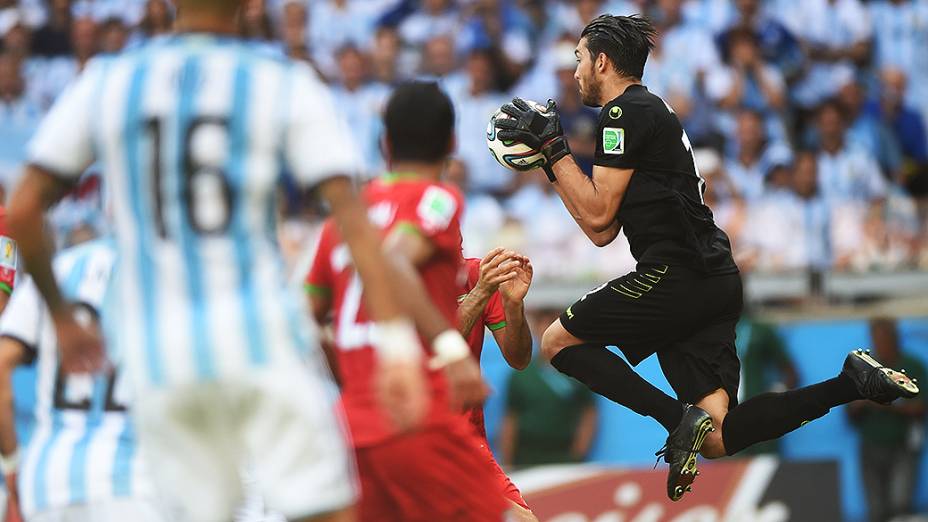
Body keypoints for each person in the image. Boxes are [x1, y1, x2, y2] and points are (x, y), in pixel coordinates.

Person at [4, 1, 473, 520]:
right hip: (260, 341)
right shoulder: (282, 81)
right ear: (253, 6)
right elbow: (353, 221)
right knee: (330, 511)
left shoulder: (109, 81)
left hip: (160, 356)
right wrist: (396, 346)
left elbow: (22, 209)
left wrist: (63, 316)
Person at [492, 14, 920, 502]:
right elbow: (601, 230)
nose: (575, 72)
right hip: (713, 278)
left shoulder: (621, 114)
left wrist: (554, 151)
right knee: (716, 437)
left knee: (556, 341)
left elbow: (597, 215)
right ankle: (851, 383)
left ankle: (677, 421)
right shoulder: (646, 111)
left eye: (579, 59)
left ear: (602, 61)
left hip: (678, 273)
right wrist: (554, 159)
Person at [306, 81, 506, 522]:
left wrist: (347, 369)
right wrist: (452, 351)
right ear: (452, 143)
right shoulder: (437, 198)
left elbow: (304, 320)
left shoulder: (344, 221)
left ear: (385, 143)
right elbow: (393, 261)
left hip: (354, 430)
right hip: (418, 418)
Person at [0, 238, 164, 522]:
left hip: (48, 484)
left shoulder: (60, 268)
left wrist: (13, 465)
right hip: (132, 483)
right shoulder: (166, 277)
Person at [457, 248, 536, 521]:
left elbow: (519, 358)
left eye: (458, 241)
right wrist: (480, 292)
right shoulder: (400, 281)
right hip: (418, 442)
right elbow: (430, 352)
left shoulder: (476, 274)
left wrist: (513, 305)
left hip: (468, 443)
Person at [848, 318, 926, 522]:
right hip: (871, 443)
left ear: (896, 339)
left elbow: (921, 407)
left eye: (884, 339)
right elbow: (849, 412)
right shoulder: (863, 368)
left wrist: (888, 404)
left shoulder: (911, 366)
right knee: (876, 509)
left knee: (900, 504)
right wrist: (858, 405)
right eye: (876, 339)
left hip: (903, 444)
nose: (880, 345)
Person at [500, 308, 598, 470]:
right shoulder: (520, 374)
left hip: (565, 460)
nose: (546, 329)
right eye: (541, 323)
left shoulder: (578, 371)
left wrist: (577, 455)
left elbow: (589, 415)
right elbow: (510, 419)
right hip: (525, 459)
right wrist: (508, 463)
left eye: (552, 323)